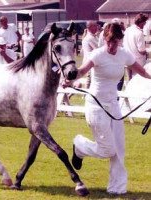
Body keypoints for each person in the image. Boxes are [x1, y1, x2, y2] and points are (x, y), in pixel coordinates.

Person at [62, 23, 151, 195]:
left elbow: (141, 71)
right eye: (109, 41)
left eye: (115, 42)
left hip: (114, 106)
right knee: (107, 150)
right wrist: (70, 79)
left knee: (119, 148)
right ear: (105, 39)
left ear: (119, 40)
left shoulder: (124, 54)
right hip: (96, 105)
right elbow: (82, 71)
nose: (112, 45)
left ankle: (117, 188)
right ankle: (79, 145)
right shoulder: (98, 54)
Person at [123, 13, 149, 79]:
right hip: (137, 61)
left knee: (129, 79)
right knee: (137, 80)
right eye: (145, 22)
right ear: (142, 22)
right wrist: (147, 52)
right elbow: (141, 51)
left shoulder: (128, 29)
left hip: (127, 58)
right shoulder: (139, 33)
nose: (145, 24)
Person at [81, 21, 98, 89]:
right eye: (95, 26)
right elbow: (97, 49)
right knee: (90, 79)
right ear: (90, 27)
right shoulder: (89, 38)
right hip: (90, 62)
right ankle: (86, 94)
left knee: (90, 79)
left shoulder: (94, 37)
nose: (97, 27)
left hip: (92, 61)